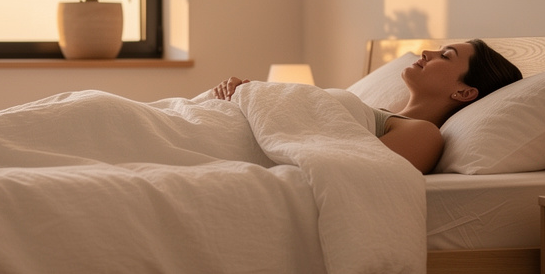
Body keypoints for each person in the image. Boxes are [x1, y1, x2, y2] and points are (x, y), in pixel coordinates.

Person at [212, 39, 522, 174]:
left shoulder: (424, 134)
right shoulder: (372, 110)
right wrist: (249, 93)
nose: (428, 51)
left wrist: (270, 103)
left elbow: (348, 167)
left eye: (446, 55)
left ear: (465, 92)